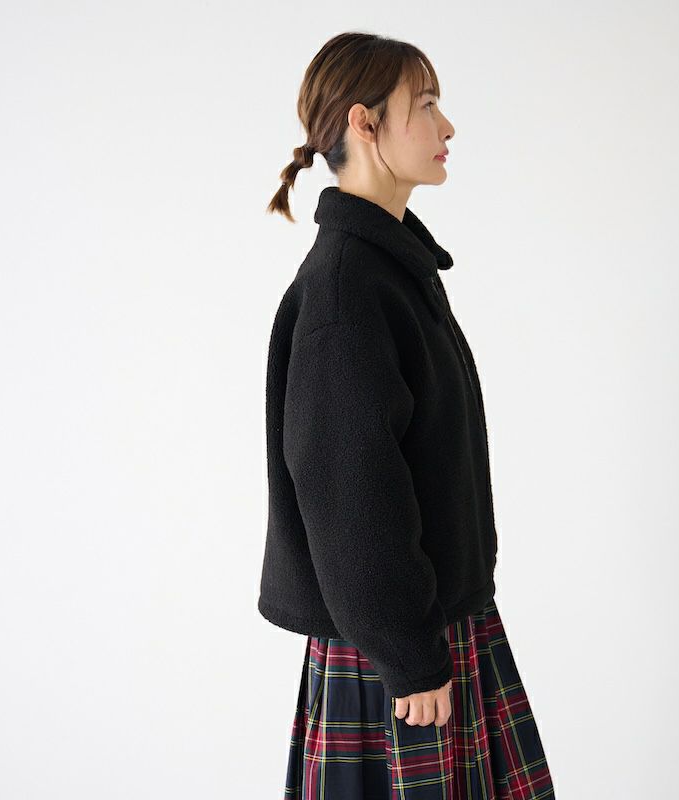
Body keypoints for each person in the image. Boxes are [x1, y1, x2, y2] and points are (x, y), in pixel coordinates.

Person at [259, 31, 556, 799]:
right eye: (425, 105)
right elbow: (348, 494)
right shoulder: (347, 292)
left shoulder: (387, 272)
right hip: (398, 654)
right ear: (365, 124)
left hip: (429, 629)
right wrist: (409, 656)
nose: (446, 126)